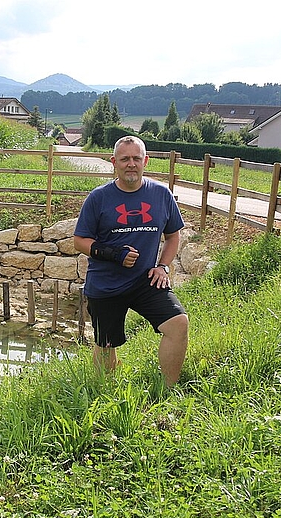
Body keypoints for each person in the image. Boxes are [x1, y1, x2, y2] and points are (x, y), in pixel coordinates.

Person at [74, 135, 188, 387]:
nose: (131, 164)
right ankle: (105, 393)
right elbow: (80, 241)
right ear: (114, 162)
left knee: (178, 323)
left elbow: (173, 235)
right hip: (106, 285)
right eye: (125, 159)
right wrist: (113, 254)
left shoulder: (160, 194)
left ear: (145, 161)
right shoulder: (99, 198)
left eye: (136, 158)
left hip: (145, 280)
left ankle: (167, 390)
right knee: (106, 345)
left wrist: (163, 266)